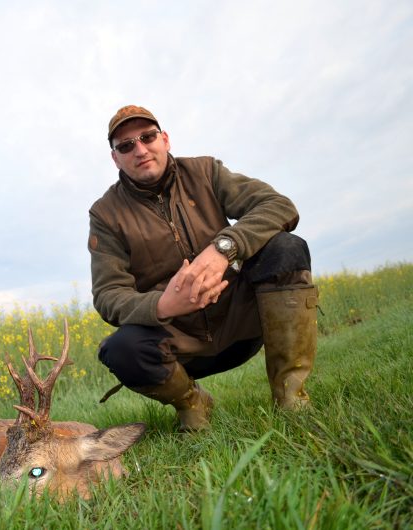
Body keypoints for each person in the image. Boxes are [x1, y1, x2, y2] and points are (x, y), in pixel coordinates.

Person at [89, 105, 317, 431]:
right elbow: (108, 294)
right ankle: (193, 404)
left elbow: (278, 205)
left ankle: (290, 397)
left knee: (285, 247)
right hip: (180, 343)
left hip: (242, 322)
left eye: (148, 137)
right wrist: (163, 305)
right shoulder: (105, 214)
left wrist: (224, 248)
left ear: (165, 139)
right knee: (120, 349)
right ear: (115, 158)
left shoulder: (205, 172)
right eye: (126, 145)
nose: (140, 150)